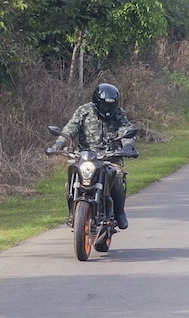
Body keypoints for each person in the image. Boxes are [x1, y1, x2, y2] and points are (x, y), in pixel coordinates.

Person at [47, 82, 136, 231]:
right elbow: (71, 128)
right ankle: (72, 213)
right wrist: (58, 144)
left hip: (111, 157)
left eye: (111, 106)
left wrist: (127, 145)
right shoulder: (84, 111)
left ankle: (120, 212)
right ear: (96, 102)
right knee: (71, 179)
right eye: (104, 106)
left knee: (117, 177)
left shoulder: (119, 113)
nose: (107, 110)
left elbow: (125, 129)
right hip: (85, 156)